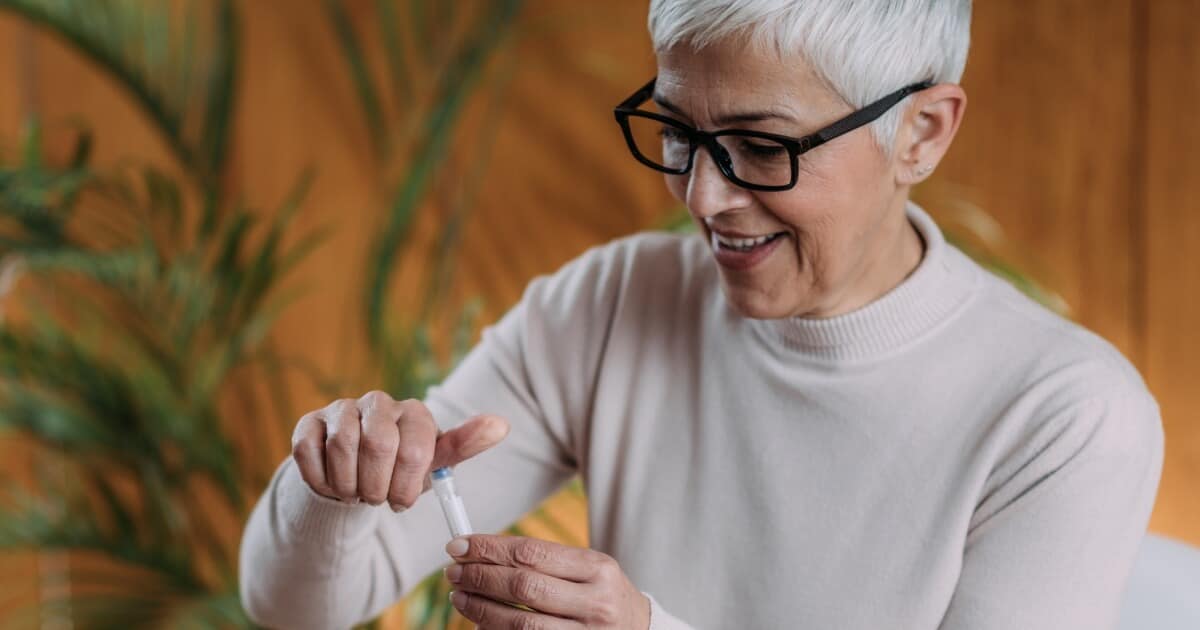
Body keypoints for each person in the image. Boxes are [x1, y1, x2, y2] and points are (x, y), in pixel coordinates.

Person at [239, 1, 1164, 628]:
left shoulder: (1067, 415)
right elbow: (293, 606)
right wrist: (333, 490)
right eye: (680, 131)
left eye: (762, 146)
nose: (704, 196)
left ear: (921, 131)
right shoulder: (611, 305)